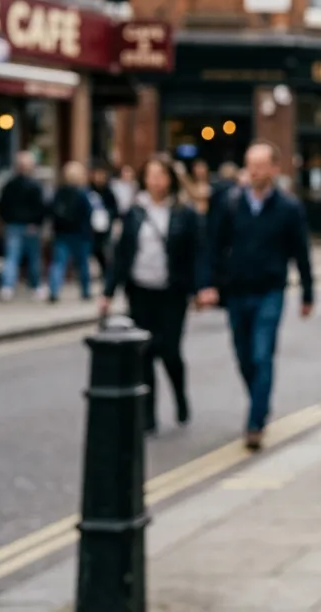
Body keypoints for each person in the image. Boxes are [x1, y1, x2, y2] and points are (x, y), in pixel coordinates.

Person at [202, 142, 314, 451]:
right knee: (243, 356)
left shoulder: (288, 208)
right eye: (250, 165)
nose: (254, 171)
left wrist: (308, 292)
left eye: (261, 166)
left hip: (270, 291)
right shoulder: (231, 203)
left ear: (275, 169)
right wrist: (208, 284)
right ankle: (260, 401)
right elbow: (214, 245)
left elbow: (301, 252)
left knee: (261, 355)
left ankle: (255, 422)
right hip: (236, 291)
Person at [100, 154, 209, 433]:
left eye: (161, 175)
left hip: (172, 293)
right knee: (144, 353)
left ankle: (180, 398)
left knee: (170, 352)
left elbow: (197, 253)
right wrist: (108, 292)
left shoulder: (184, 213)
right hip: (140, 291)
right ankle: (147, 415)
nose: (156, 180)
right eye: (151, 175)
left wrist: (201, 289)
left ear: (170, 179)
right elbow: (122, 255)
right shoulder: (134, 212)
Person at [0, 152, 47, 301]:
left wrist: (6, 220)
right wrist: (36, 222)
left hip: (13, 224)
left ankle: (7, 287)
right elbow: (40, 207)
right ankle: (35, 286)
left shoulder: (9, 184)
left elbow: (2, 206)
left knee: (12, 257)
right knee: (33, 257)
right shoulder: (35, 186)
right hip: (30, 226)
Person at [48, 161, 95, 303]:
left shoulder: (59, 192)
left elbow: (51, 211)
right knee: (82, 264)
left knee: (58, 263)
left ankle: (54, 290)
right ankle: (85, 291)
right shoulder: (83, 193)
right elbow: (89, 212)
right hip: (80, 234)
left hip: (62, 233)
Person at [88, 164, 120, 283]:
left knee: (104, 250)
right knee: (94, 249)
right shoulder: (88, 191)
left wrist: (108, 216)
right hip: (91, 227)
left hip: (106, 226)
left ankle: (106, 272)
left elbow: (115, 209)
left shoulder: (109, 192)